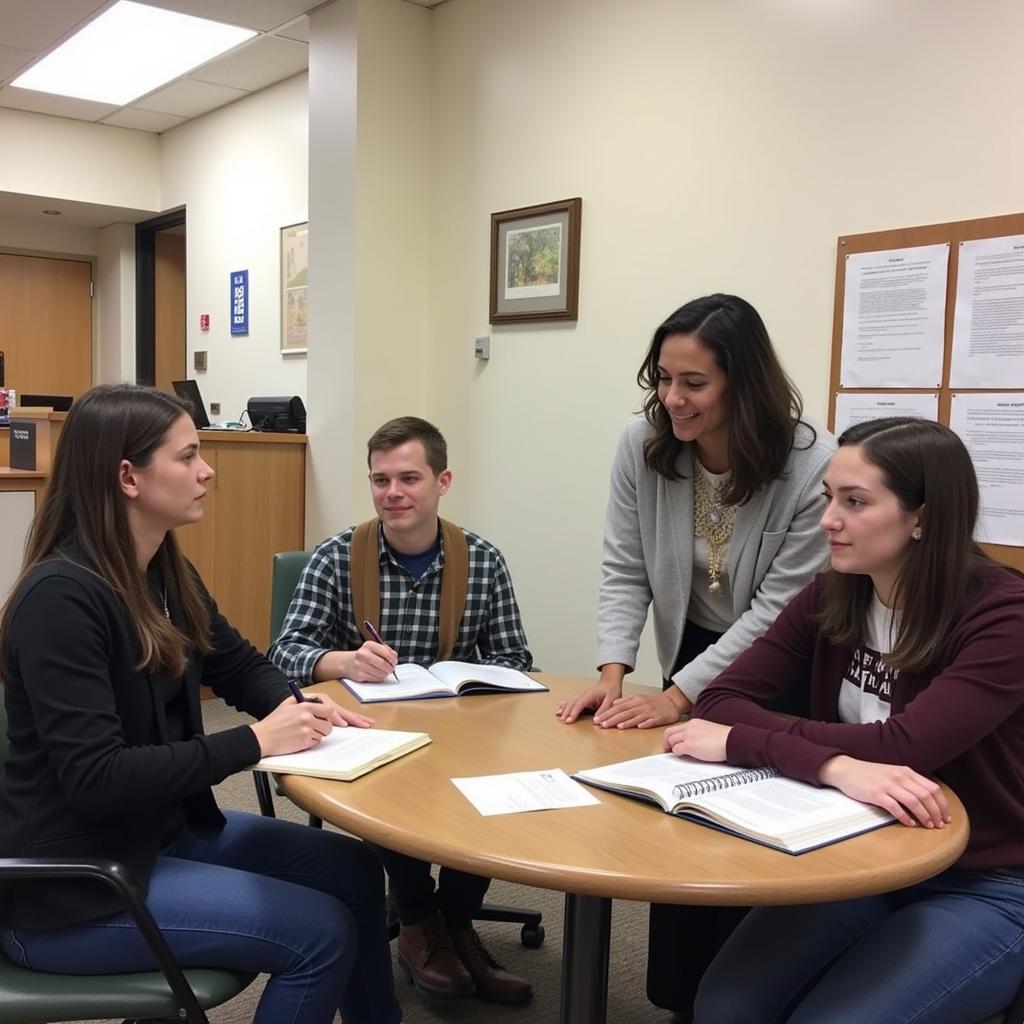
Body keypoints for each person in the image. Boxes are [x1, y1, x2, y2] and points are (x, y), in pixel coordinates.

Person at [0, 385, 401, 1024]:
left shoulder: (164, 573)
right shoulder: (60, 601)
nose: (207, 471)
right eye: (188, 457)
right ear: (127, 476)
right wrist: (257, 742)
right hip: (74, 889)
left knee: (353, 869)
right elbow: (99, 780)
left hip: (159, 835)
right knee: (320, 934)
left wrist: (303, 706)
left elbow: (234, 663)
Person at [664, 417, 1024, 1024]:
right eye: (829, 496)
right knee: (724, 1007)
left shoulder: (1002, 616)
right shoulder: (833, 593)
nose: (828, 519)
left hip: (984, 881)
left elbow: (905, 745)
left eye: (855, 502)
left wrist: (768, 748)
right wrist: (837, 764)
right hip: (858, 851)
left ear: (923, 518)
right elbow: (720, 700)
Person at [554, 293, 835, 1017]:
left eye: (694, 384)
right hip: (693, 648)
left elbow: (778, 614)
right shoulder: (640, 445)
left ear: (743, 384)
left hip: (786, 664)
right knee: (678, 822)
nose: (672, 399)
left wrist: (677, 697)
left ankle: (748, 1000)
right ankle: (683, 1000)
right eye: (663, 379)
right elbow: (624, 566)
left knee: (751, 841)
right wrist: (614, 678)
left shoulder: (812, 464)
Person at [270, 415, 534, 1005]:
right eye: (380, 479)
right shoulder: (337, 556)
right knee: (391, 781)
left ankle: (458, 923)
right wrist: (342, 662)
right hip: (367, 730)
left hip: (460, 733)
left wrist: (472, 682)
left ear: (443, 481)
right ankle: (417, 921)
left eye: (409, 478)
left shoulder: (482, 561)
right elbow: (283, 651)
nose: (394, 493)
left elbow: (516, 657)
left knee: (494, 781)